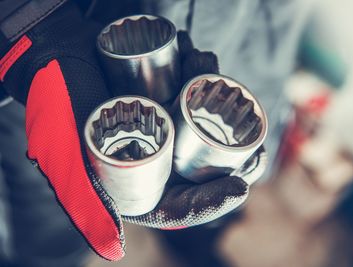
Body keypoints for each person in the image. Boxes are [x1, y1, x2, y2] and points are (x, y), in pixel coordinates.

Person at [0, 0, 315, 266]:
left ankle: (199, 235)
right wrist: (27, 20)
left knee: (207, 191)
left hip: (242, 20)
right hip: (72, 36)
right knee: (55, 200)